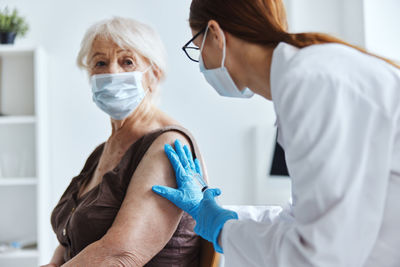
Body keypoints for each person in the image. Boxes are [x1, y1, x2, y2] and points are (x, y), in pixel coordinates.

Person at [152, 0, 400, 266]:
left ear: (215, 34)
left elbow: (317, 254)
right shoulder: (306, 77)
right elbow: (301, 218)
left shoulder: (311, 82)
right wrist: (214, 214)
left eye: (197, 48)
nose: (201, 62)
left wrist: (223, 230)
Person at [42, 17, 207, 267]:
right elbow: (71, 233)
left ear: (154, 74)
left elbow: (121, 256)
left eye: (127, 61)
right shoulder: (102, 151)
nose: (112, 73)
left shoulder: (168, 145)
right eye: (100, 63)